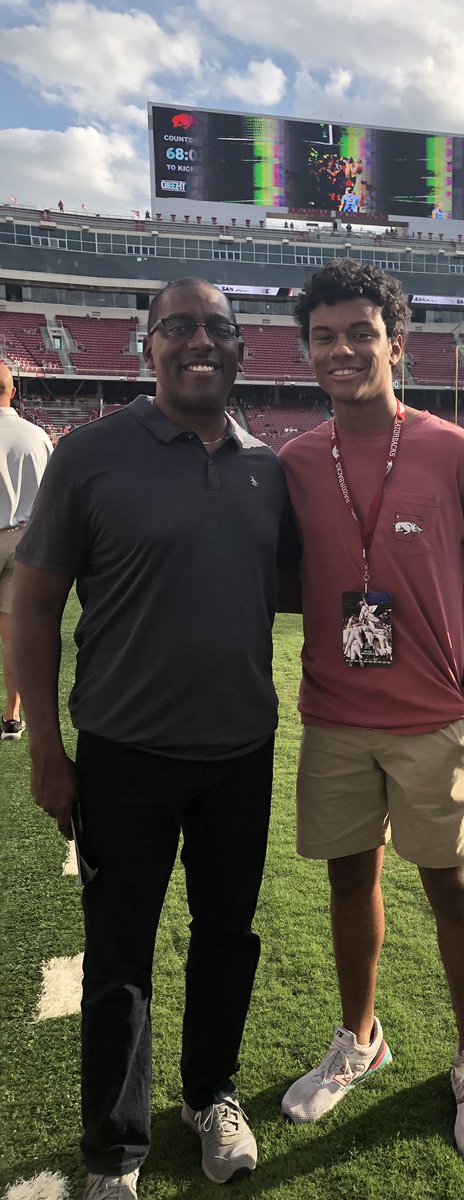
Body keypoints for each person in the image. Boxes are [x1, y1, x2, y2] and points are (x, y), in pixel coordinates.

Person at [12, 278, 299, 1197]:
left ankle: (209, 1094)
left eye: (218, 328)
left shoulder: (267, 467)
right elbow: (35, 605)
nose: (199, 342)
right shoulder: (90, 455)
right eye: (179, 327)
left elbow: (296, 588)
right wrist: (46, 750)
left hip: (240, 751)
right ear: (150, 345)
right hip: (124, 755)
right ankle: (114, 1150)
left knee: (227, 935)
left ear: (242, 350)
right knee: (121, 954)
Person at [277, 260, 464, 1161]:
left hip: (432, 719)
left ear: (396, 341)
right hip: (336, 715)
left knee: (450, 888)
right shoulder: (297, 463)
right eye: (323, 336)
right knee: (350, 881)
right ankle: (361, 1038)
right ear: (307, 351)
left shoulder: (458, 453)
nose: (342, 350)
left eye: (359, 333)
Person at [0, 361, 53, 740]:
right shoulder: (38, 436)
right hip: (23, 538)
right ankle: (12, 715)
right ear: (12, 391)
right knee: (13, 633)